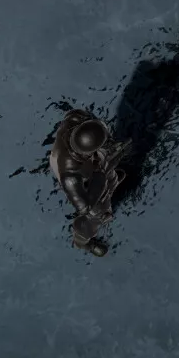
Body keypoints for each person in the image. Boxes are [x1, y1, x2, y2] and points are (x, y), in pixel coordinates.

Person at [48, 109, 129, 255]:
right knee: (94, 214)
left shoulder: (76, 118)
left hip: (87, 160)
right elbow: (84, 207)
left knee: (106, 164)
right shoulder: (70, 176)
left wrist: (108, 145)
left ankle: (112, 180)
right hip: (71, 170)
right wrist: (101, 179)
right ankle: (82, 242)